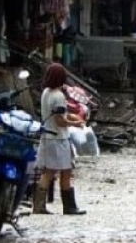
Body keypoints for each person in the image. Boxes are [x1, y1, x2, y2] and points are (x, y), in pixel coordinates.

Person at [33, 63, 86, 215]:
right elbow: (60, 121)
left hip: (47, 136)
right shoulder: (58, 96)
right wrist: (76, 123)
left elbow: (58, 115)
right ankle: (69, 206)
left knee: (48, 172)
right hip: (59, 139)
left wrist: (70, 117)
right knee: (66, 171)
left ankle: (38, 205)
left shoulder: (45, 93)